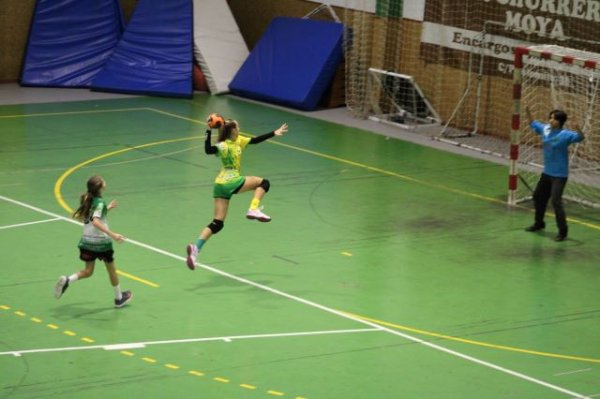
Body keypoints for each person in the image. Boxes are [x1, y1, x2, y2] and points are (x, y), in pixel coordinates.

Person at [186, 116, 288, 269]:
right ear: (232, 130)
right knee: (263, 183)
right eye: (237, 127)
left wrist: (274, 132)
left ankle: (196, 248)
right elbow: (208, 150)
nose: (239, 129)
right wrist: (208, 131)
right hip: (232, 180)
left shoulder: (238, 140)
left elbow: (255, 140)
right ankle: (253, 208)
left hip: (219, 184)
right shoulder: (224, 145)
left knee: (218, 223)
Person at [54, 175, 133, 307]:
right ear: (100, 187)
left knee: (88, 271)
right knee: (111, 270)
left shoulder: (86, 198)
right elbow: (96, 221)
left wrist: (106, 209)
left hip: (86, 241)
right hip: (101, 243)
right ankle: (119, 298)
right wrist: (113, 234)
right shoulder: (99, 202)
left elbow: (92, 216)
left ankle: (68, 280)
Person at [524, 107, 584, 241]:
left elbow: (580, 138)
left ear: (560, 121)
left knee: (556, 201)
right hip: (547, 173)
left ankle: (563, 231)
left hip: (559, 175)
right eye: (550, 117)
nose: (550, 120)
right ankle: (539, 223)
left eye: (554, 118)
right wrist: (527, 111)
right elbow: (533, 123)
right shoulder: (545, 129)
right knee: (538, 197)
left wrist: (578, 128)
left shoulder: (566, 134)